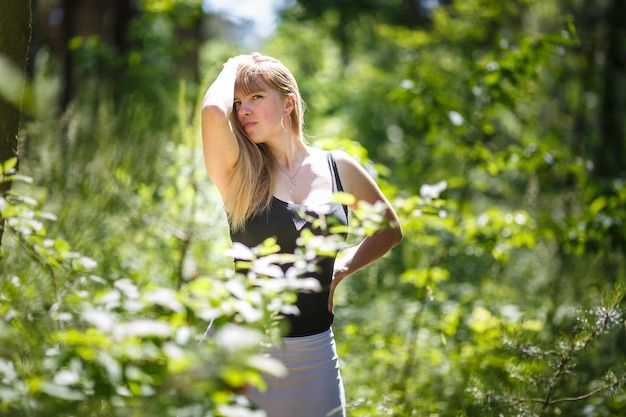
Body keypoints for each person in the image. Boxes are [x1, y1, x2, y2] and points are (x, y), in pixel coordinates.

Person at [200, 52, 402, 417]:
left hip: (316, 354)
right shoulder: (239, 173)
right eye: (238, 103)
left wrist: (339, 269)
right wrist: (233, 64)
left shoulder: (338, 167)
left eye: (256, 97)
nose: (243, 110)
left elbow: (388, 230)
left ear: (288, 103)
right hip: (244, 352)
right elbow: (213, 113)